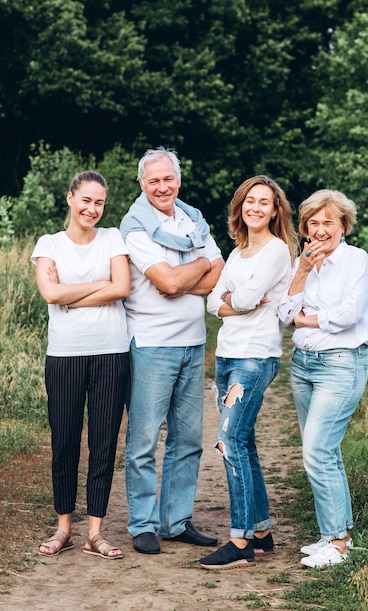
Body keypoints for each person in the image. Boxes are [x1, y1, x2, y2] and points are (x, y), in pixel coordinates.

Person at [120, 147, 224, 555]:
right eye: (154, 181)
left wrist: (186, 276)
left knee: (188, 440)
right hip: (150, 344)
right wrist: (195, 266)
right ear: (142, 184)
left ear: (178, 179)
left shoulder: (192, 219)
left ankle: (176, 521)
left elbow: (219, 271)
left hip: (194, 343)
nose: (162, 187)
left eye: (169, 179)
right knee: (144, 439)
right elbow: (166, 282)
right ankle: (143, 524)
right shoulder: (135, 227)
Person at [198, 175, 298, 570]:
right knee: (245, 443)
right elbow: (212, 303)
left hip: (255, 357)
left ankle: (239, 542)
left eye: (264, 202)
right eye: (249, 201)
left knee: (228, 441)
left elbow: (241, 297)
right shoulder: (237, 253)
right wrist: (238, 302)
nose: (255, 207)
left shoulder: (276, 251)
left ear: (275, 211)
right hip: (227, 355)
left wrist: (236, 301)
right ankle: (261, 532)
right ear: (240, 207)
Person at [32, 170, 130, 560]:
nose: (93, 208)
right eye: (86, 200)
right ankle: (63, 529)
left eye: (100, 202)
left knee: (104, 443)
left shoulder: (112, 237)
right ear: (71, 198)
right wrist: (97, 284)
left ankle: (95, 533)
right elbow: (49, 292)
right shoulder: (49, 243)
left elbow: (122, 287)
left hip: (111, 352)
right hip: (65, 354)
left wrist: (72, 297)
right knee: (65, 442)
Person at [278, 189, 368, 568]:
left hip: (341, 364)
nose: (320, 230)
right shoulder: (300, 261)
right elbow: (285, 313)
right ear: (304, 227)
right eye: (313, 223)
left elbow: (349, 314)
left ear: (343, 226)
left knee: (317, 452)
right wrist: (302, 272)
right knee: (323, 452)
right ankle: (331, 534)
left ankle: (338, 543)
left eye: (328, 223)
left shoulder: (356, 259)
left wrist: (307, 316)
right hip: (303, 364)